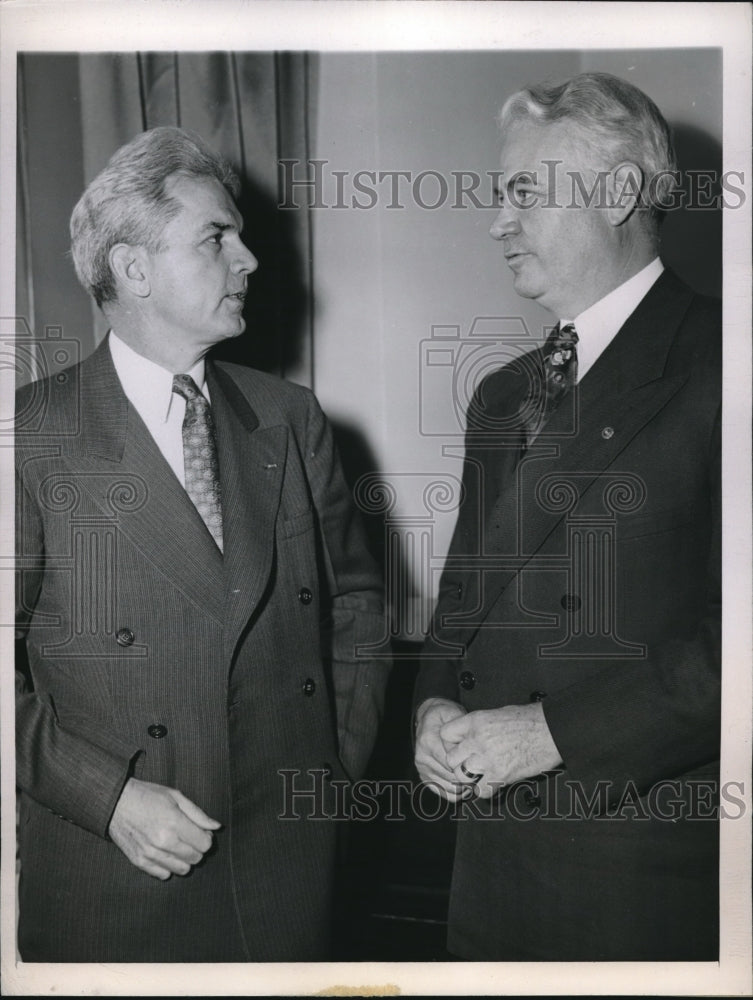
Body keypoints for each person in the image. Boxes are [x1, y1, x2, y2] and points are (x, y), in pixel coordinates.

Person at [15, 126, 388, 962]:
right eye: (217, 238)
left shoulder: (291, 420)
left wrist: (332, 774)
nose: (249, 259)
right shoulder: (33, 435)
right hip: (120, 879)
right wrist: (106, 799)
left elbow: (358, 605)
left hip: (291, 872)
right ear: (133, 268)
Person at [414, 72, 721, 961]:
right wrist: (433, 700)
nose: (496, 221)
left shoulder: (723, 360)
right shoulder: (503, 393)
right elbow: (464, 593)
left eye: (522, 191)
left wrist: (551, 733)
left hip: (639, 873)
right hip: (488, 868)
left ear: (620, 192)